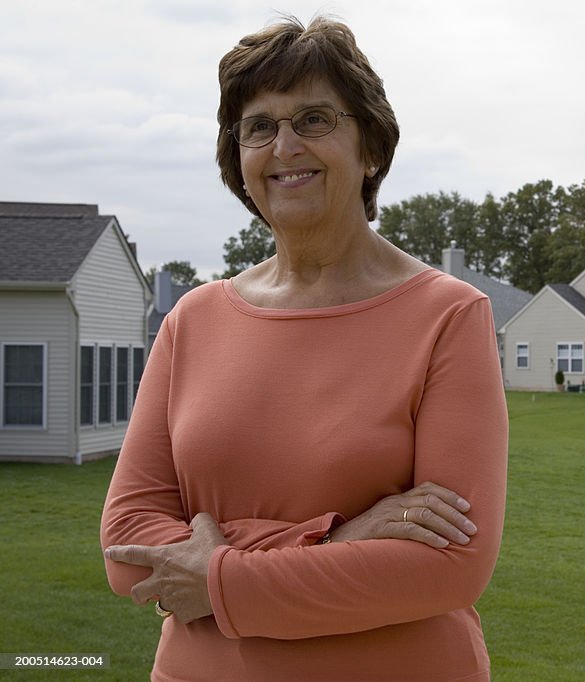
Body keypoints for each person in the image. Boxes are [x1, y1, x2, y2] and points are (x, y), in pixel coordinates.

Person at [101, 14, 508, 682]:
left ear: (370, 145)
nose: (285, 145)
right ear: (239, 157)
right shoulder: (192, 321)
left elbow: (451, 568)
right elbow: (126, 545)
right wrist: (342, 536)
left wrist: (219, 579)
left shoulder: (448, 315)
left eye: (314, 119)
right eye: (260, 127)